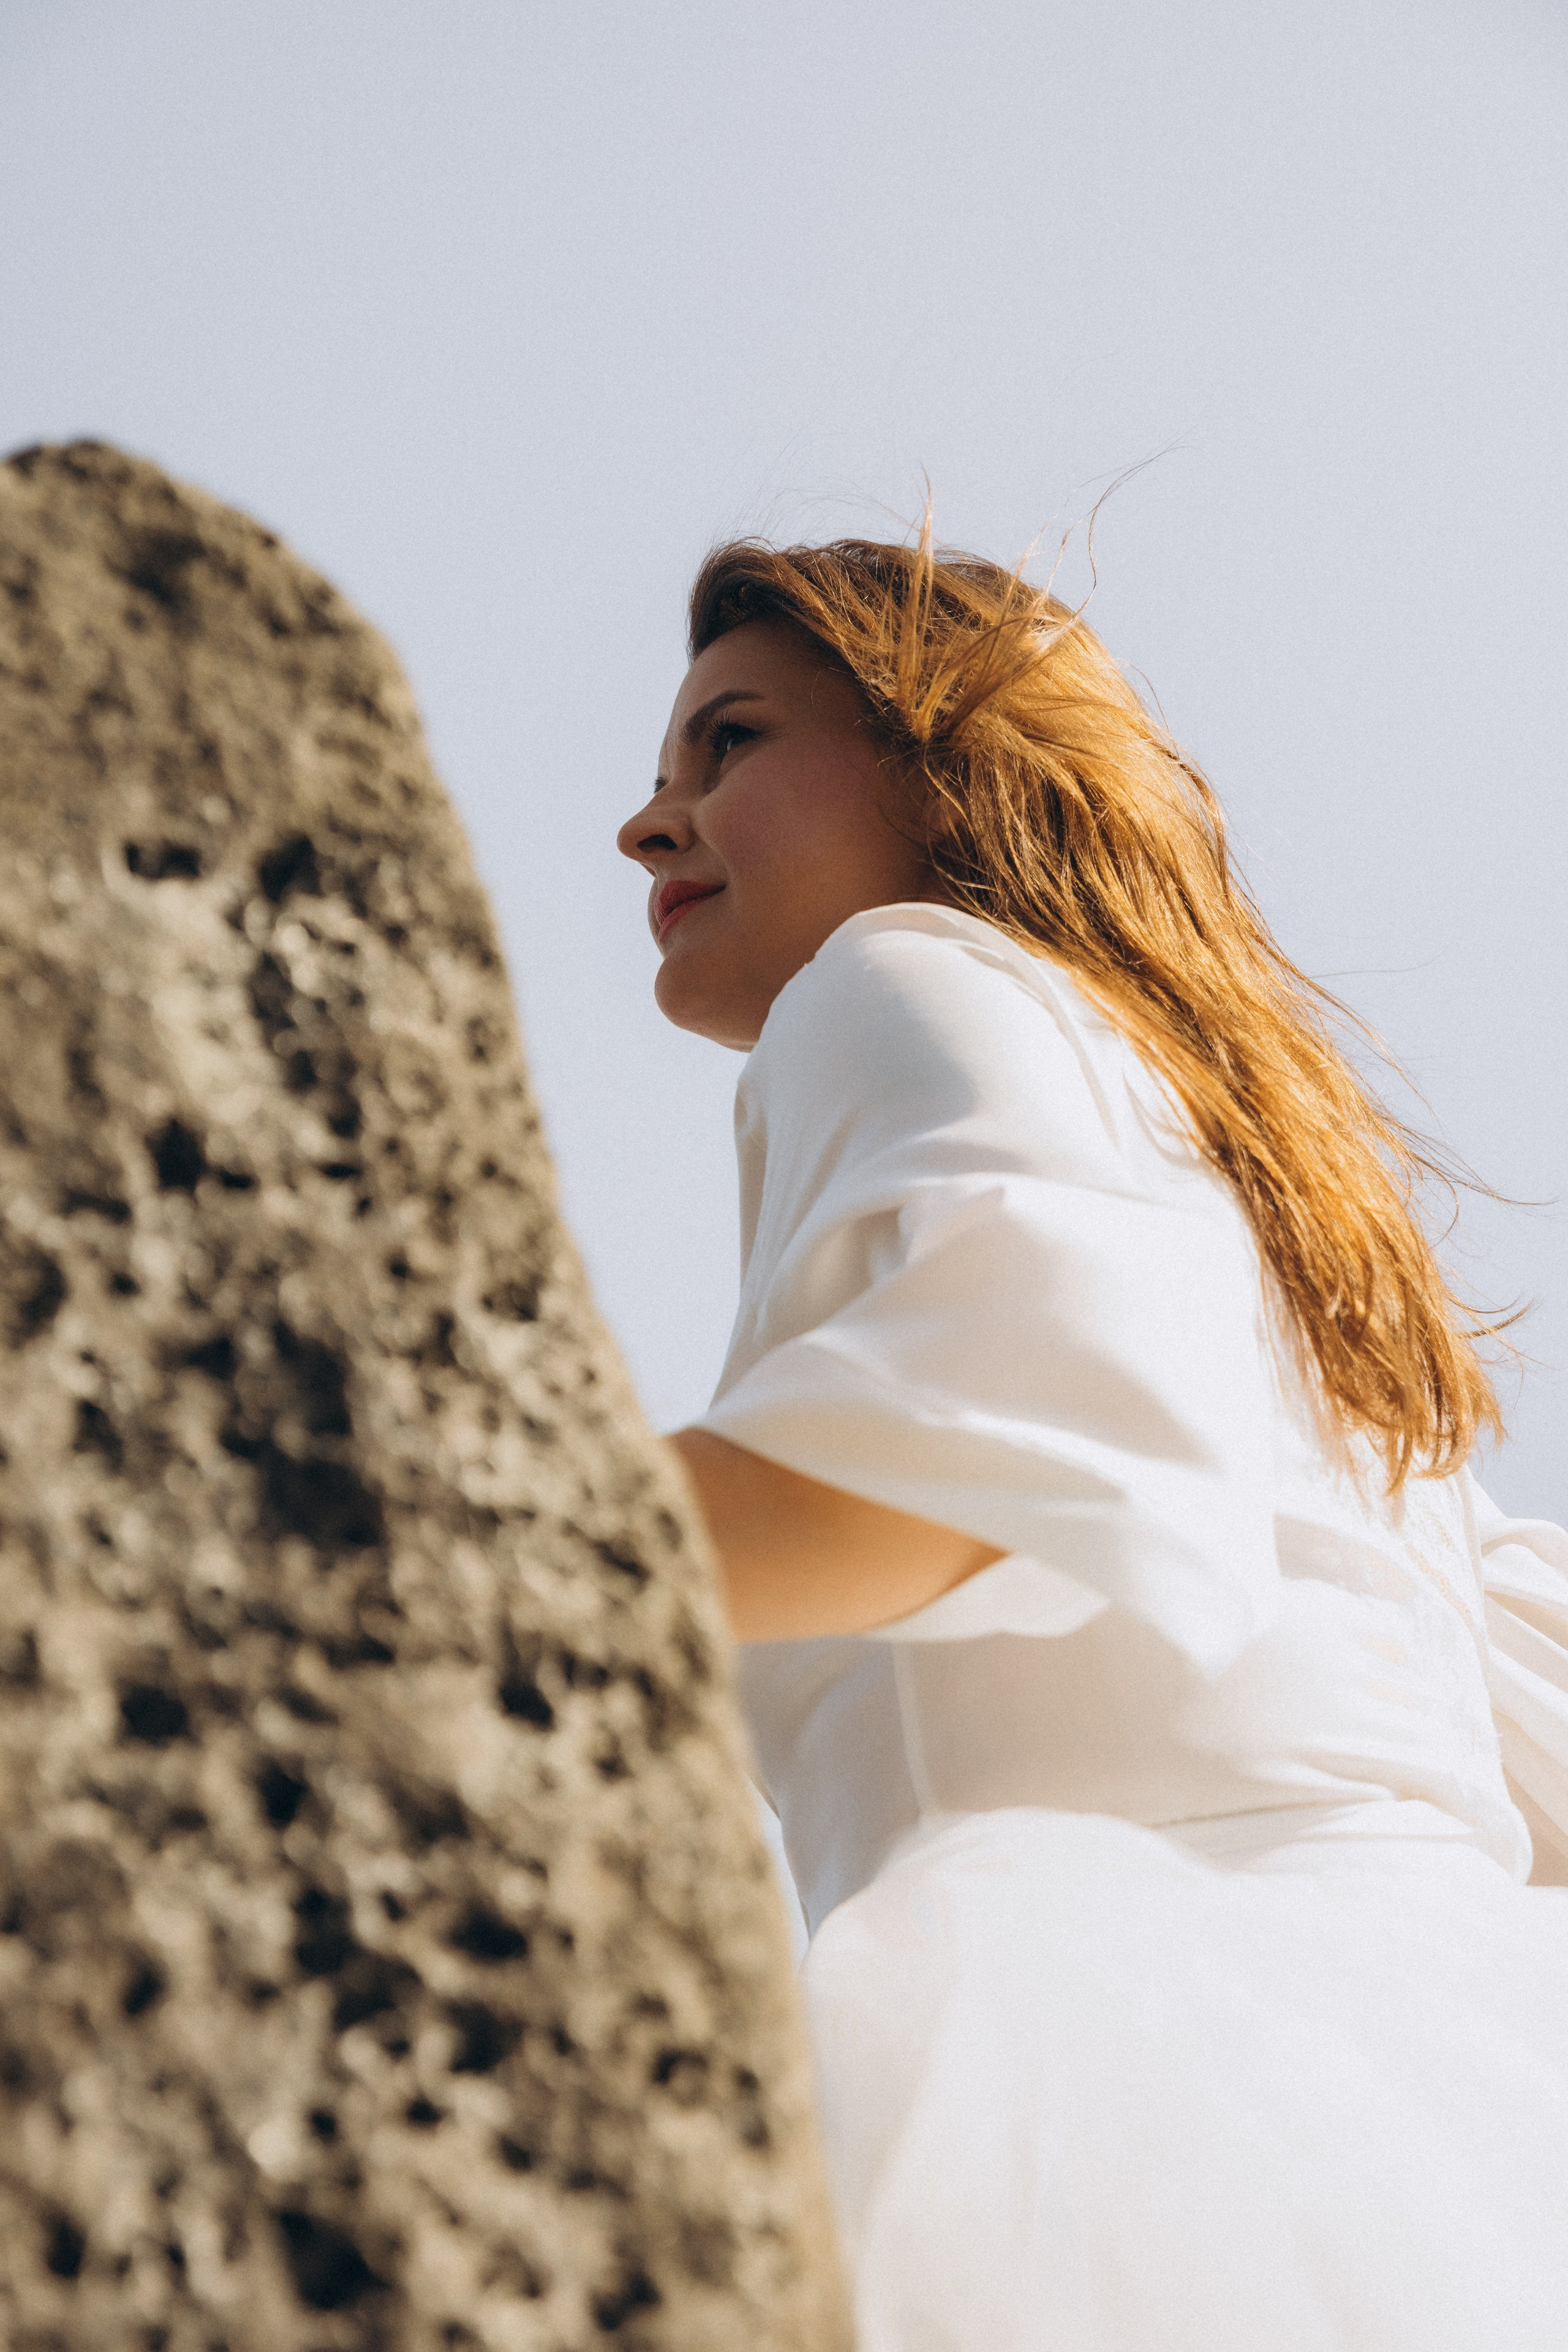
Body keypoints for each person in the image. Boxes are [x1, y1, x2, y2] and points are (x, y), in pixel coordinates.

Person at [616, 528, 1568, 2351]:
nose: (648, 828)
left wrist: (408, 1547)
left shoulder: (897, 974)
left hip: (1105, 2045)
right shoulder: (1291, 1239)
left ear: (939, 762)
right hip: (1445, 2060)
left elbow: (979, 1444)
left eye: (727, 744)